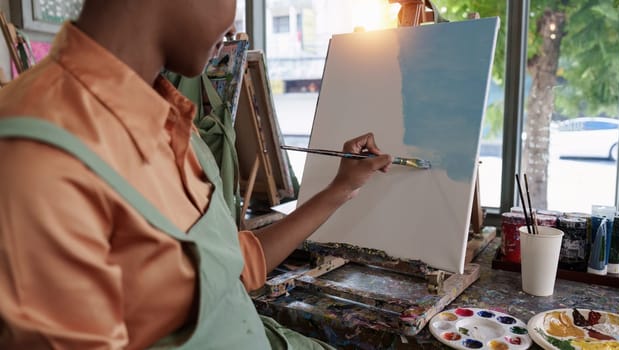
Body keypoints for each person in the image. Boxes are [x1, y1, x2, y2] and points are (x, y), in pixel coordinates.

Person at [0, 0, 392, 348]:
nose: (233, 18)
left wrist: (341, 188)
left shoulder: (172, 119)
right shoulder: (37, 155)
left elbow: (231, 268)